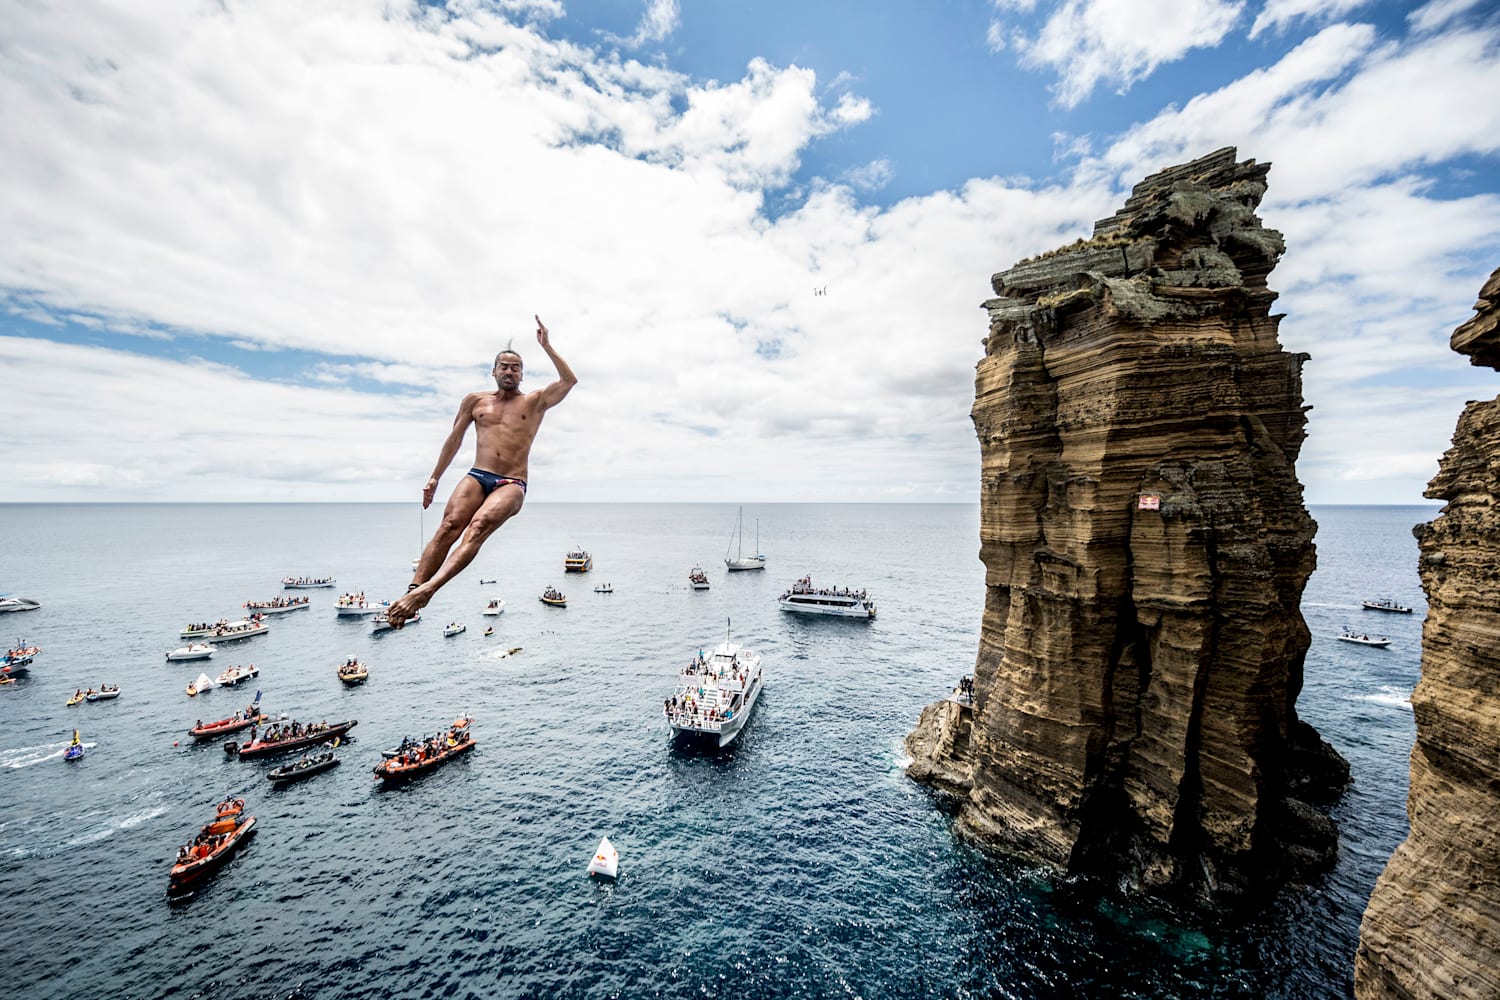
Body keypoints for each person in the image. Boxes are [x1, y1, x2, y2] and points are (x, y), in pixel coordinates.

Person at [384, 315, 577, 628]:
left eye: (515, 367)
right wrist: (434, 477)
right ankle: (411, 594)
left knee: (477, 527)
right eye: (504, 366)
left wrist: (547, 347)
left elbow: (569, 381)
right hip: (478, 474)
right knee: (448, 527)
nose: (509, 371)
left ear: (522, 374)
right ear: (494, 371)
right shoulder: (475, 401)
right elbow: (454, 439)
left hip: (512, 482)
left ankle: (427, 591)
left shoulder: (535, 401)